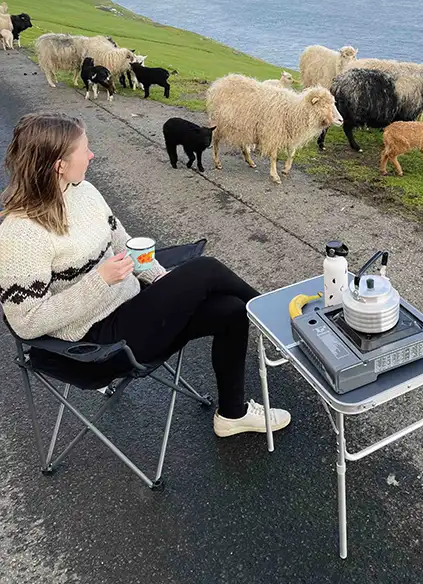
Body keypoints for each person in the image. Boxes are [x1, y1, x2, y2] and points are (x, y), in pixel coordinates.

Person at [0, 112, 290, 438]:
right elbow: (26, 322)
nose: (91, 155)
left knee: (231, 311)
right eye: (84, 149)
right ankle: (285, 327)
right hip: (94, 346)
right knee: (205, 269)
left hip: (132, 308)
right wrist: (99, 282)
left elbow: (125, 246)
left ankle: (232, 415)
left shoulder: (84, 192)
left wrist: (162, 280)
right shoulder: (21, 233)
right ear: (59, 165)